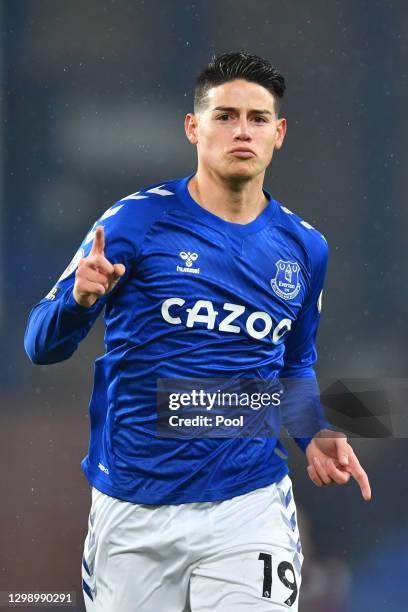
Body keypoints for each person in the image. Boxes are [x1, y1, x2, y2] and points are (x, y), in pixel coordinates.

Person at [24, 52, 371, 611]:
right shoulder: (134, 221)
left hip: (248, 503)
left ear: (278, 134)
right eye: (225, 115)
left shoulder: (306, 248)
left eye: (258, 118)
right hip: (133, 510)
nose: (242, 130)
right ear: (193, 127)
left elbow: (295, 366)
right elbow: (40, 344)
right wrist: (80, 301)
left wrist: (313, 434)